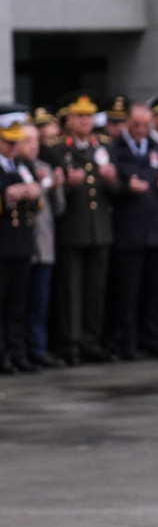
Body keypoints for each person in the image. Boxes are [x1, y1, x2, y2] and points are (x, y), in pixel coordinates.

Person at [41, 93, 117, 365]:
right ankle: (69, 342)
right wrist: (67, 185)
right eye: (80, 116)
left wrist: (112, 180)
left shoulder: (103, 145)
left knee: (95, 289)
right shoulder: (56, 148)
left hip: (99, 228)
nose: (86, 121)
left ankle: (90, 339)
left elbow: (117, 189)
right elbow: (53, 191)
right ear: (68, 119)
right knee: (70, 290)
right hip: (73, 228)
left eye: (89, 116)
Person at [111, 103, 158, 360]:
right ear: (126, 122)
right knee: (128, 294)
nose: (140, 130)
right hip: (130, 232)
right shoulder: (116, 148)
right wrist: (126, 186)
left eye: (145, 125)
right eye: (136, 124)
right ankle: (128, 342)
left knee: (156, 292)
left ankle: (154, 339)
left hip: (156, 230)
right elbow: (110, 186)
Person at [0, 107, 41, 374]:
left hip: (21, 244)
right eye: (8, 141)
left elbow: (37, 204)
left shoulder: (23, 166)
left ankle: (18, 352)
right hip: (2, 246)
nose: (14, 147)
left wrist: (34, 193)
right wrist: (6, 196)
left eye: (17, 142)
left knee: (18, 304)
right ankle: (3, 354)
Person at [20, 122, 63, 369]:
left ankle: (39, 347)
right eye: (27, 141)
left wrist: (56, 188)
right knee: (19, 303)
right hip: (22, 246)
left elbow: (58, 210)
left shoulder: (44, 168)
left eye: (36, 140)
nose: (34, 145)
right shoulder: (16, 168)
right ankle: (21, 348)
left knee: (40, 302)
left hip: (44, 246)